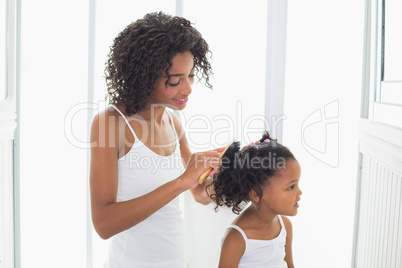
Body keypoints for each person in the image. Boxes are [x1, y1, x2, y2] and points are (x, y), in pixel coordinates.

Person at [89, 12, 222, 267]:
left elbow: (198, 193)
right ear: (145, 76)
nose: (188, 88)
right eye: (175, 80)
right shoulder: (112, 123)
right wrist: (182, 181)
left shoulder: (173, 121)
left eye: (191, 75)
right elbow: (104, 224)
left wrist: (228, 171)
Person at [207, 132, 302, 268]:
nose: (300, 192)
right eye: (291, 187)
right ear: (256, 193)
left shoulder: (285, 226)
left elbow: (289, 265)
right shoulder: (236, 239)